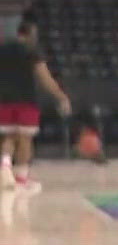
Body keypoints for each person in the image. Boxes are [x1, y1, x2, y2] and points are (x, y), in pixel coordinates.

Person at [0, 20, 72, 193]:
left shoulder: (2, 49)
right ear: (30, 33)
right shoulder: (32, 50)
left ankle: (4, 172)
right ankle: (22, 179)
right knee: (25, 139)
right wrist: (62, 97)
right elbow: (44, 77)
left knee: (8, 137)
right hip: (26, 101)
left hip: (3, 100)